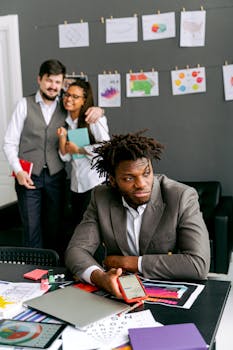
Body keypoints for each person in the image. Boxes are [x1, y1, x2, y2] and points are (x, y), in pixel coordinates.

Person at [65, 130, 210, 299]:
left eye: (146, 173)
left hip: (169, 291)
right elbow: (76, 250)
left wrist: (128, 262)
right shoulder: (101, 196)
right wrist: (100, 277)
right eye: (128, 178)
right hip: (119, 294)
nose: (141, 184)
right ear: (112, 180)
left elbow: (198, 264)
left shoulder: (181, 196)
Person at [3, 59, 104, 250]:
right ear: (40, 79)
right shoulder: (24, 105)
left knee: (55, 228)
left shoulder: (66, 107)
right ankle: (31, 273)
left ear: (62, 83)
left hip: (56, 177)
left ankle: (51, 274)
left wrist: (99, 109)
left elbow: (86, 110)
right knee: (31, 228)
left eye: (58, 82)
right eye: (49, 81)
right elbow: (9, 143)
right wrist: (18, 171)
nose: (53, 86)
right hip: (28, 176)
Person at [57, 79, 110, 227]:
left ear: (84, 100)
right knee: (79, 228)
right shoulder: (66, 122)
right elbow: (66, 157)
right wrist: (62, 138)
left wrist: (80, 149)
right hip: (76, 186)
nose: (69, 99)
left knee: (94, 229)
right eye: (67, 95)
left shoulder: (94, 119)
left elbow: (106, 149)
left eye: (75, 96)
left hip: (94, 184)